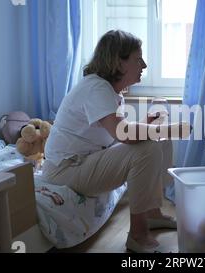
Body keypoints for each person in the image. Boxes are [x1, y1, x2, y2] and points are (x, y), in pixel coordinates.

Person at [42, 30, 191, 252]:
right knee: (148, 147)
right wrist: (171, 129)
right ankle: (138, 235)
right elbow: (124, 134)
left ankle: (152, 213)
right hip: (64, 170)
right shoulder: (96, 88)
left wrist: (149, 122)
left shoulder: (108, 91)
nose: (144, 65)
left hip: (84, 161)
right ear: (118, 62)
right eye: (137, 59)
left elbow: (117, 135)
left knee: (156, 139)